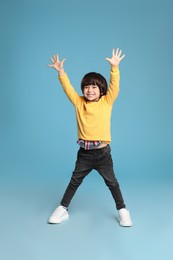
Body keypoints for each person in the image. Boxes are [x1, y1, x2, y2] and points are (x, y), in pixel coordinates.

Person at [48, 48, 132, 227]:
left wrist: (114, 68)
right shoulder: (79, 103)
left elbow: (115, 86)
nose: (90, 90)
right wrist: (61, 72)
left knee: (112, 182)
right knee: (74, 181)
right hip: (84, 154)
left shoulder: (107, 102)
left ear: (101, 90)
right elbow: (68, 89)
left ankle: (123, 210)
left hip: (103, 154)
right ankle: (63, 209)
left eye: (94, 87)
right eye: (86, 87)